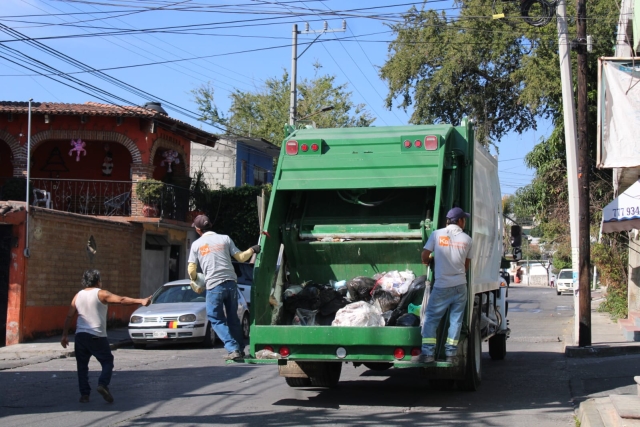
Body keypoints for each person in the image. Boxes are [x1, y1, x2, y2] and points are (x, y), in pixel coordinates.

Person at [61, 269, 151, 403]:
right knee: (107, 361)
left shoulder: (78, 295)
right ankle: (103, 384)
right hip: (97, 335)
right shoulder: (101, 293)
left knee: (82, 366)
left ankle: (84, 395)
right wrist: (141, 301)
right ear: (97, 281)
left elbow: (69, 316)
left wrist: (64, 335)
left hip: (80, 336)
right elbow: (121, 300)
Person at [188, 214, 260, 361]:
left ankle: (232, 348)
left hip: (214, 286)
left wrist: (196, 279)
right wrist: (253, 249)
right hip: (231, 284)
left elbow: (191, 269)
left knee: (215, 318)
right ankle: (239, 348)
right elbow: (241, 257)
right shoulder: (225, 239)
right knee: (233, 317)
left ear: (197, 229)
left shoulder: (196, 245)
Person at [412, 207, 473, 364]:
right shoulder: (467, 240)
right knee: (456, 320)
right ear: (459, 221)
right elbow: (466, 266)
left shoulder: (437, 234)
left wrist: (428, 261)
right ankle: (451, 354)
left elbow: (425, 254)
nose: (464, 222)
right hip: (460, 285)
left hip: (442, 286)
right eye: (463, 219)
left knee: (431, 318)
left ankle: (428, 354)